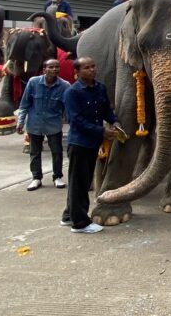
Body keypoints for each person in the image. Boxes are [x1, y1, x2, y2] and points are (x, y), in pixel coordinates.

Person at [61, 57, 118, 234]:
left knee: (81, 181)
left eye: (93, 66)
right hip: (79, 143)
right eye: (87, 68)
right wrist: (102, 131)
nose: (92, 70)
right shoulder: (72, 92)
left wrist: (114, 122)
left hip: (93, 143)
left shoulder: (100, 88)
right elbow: (75, 120)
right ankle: (80, 223)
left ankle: (69, 215)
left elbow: (106, 111)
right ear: (77, 72)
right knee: (79, 183)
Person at [16, 59, 70, 190]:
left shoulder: (65, 86)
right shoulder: (33, 82)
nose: (54, 69)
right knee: (35, 152)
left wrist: (71, 123)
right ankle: (36, 178)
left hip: (54, 124)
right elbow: (24, 104)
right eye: (51, 67)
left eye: (57, 67)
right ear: (44, 69)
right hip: (35, 124)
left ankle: (57, 176)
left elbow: (67, 108)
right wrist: (20, 122)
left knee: (56, 151)